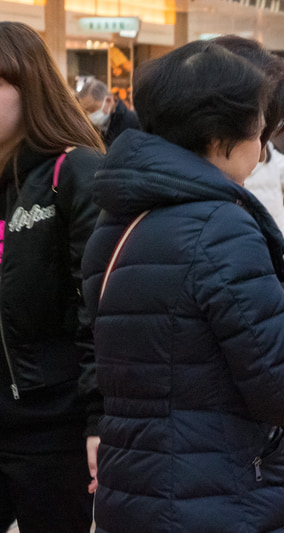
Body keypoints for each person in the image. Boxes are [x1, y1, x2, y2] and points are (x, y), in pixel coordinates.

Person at [81, 39, 284, 533]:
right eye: (259, 131)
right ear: (221, 134)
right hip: (219, 498)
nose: (262, 151)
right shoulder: (220, 226)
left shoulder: (118, 221)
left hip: (133, 493)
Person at [0, 21, 105, 533]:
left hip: (53, 427)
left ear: (28, 86)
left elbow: (99, 310)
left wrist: (99, 419)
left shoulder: (74, 172)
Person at [77, 78, 140, 147]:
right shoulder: (100, 126)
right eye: (86, 111)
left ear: (108, 100)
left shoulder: (131, 123)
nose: (89, 115)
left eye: (92, 109)